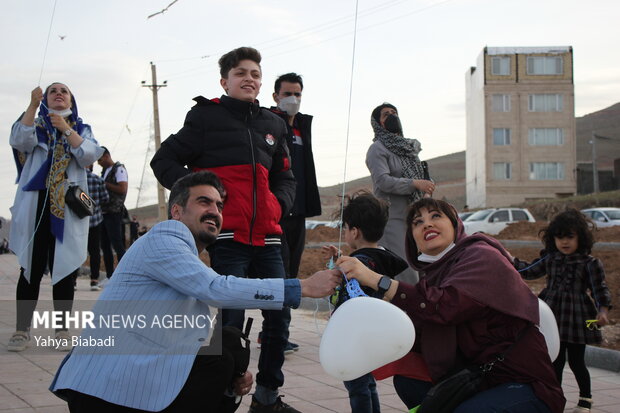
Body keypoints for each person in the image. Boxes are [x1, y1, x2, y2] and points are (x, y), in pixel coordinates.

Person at [49, 171, 340, 412]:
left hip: (118, 387)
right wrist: (300, 287)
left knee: (225, 352)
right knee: (223, 352)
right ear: (176, 211)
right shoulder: (165, 237)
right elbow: (217, 288)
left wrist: (232, 382)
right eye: (204, 202)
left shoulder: (183, 257)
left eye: (219, 205)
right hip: (105, 390)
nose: (214, 211)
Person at [150, 47, 298, 413]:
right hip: (228, 238)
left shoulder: (273, 124)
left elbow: (285, 176)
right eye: (241, 73)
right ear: (224, 81)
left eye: (256, 74)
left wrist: (277, 205)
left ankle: (266, 396)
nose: (250, 79)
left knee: (279, 318)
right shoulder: (204, 117)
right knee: (230, 322)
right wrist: (199, 198)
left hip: (268, 237)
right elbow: (163, 159)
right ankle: (223, 395)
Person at [337, 198, 566, 413]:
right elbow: (421, 333)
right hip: (480, 379)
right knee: (409, 382)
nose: (427, 224)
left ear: (455, 224)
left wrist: (378, 280)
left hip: (524, 383)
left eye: (436, 216)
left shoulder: (480, 256)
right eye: (418, 222)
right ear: (413, 240)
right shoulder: (435, 275)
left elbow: (445, 306)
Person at [7, 83, 103, 352]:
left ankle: (62, 329)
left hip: (66, 209)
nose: (59, 93)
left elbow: (89, 154)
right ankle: (21, 330)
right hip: (36, 206)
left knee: (65, 271)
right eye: (53, 91)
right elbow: (18, 140)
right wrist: (31, 106)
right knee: (30, 270)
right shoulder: (34, 125)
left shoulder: (81, 128)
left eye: (64, 91)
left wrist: (65, 129)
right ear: (45, 98)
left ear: (72, 98)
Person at [513, 209, 612, 413]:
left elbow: (598, 288)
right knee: (554, 362)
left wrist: (602, 311)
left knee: (577, 362)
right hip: (552, 316)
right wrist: (508, 260)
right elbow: (528, 272)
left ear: (580, 237)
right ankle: (554, 399)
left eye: (570, 237)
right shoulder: (550, 258)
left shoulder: (590, 263)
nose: (564, 242)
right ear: (552, 239)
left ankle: (585, 399)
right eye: (559, 237)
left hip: (578, 318)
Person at [322, 191, 408, 413]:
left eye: (345, 228)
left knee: (357, 386)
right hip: (371, 335)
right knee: (367, 383)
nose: (345, 233)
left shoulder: (359, 263)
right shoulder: (381, 257)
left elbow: (347, 293)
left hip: (354, 336)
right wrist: (338, 261)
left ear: (354, 231)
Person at [269, 72, 322, 354]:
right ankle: (272, 334)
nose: (293, 99)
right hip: (276, 214)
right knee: (279, 275)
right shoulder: (268, 125)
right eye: (287, 93)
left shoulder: (302, 126)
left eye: (298, 94)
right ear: (275, 96)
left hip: (298, 213)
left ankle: (280, 333)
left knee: (291, 272)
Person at [365, 103, 435, 284]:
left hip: (416, 217)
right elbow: (383, 181)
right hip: (392, 219)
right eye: (386, 114)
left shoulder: (409, 148)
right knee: (405, 271)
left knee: (423, 268)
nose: (392, 116)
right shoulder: (377, 149)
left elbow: (420, 177)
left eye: (394, 113)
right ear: (377, 123)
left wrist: (426, 189)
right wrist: (414, 184)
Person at [97, 146, 128, 278]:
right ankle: (110, 275)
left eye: (100, 159)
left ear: (106, 156)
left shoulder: (119, 169)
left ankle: (124, 274)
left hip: (114, 212)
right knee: (105, 245)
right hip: (103, 212)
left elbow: (122, 189)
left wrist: (103, 184)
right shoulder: (105, 171)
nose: (98, 162)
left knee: (117, 244)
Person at [85, 164, 109, 291]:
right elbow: (105, 198)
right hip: (95, 220)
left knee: (77, 250)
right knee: (95, 251)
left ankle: (72, 282)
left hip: (79, 221)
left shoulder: (74, 178)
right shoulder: (97, 179)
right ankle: (94, 280)